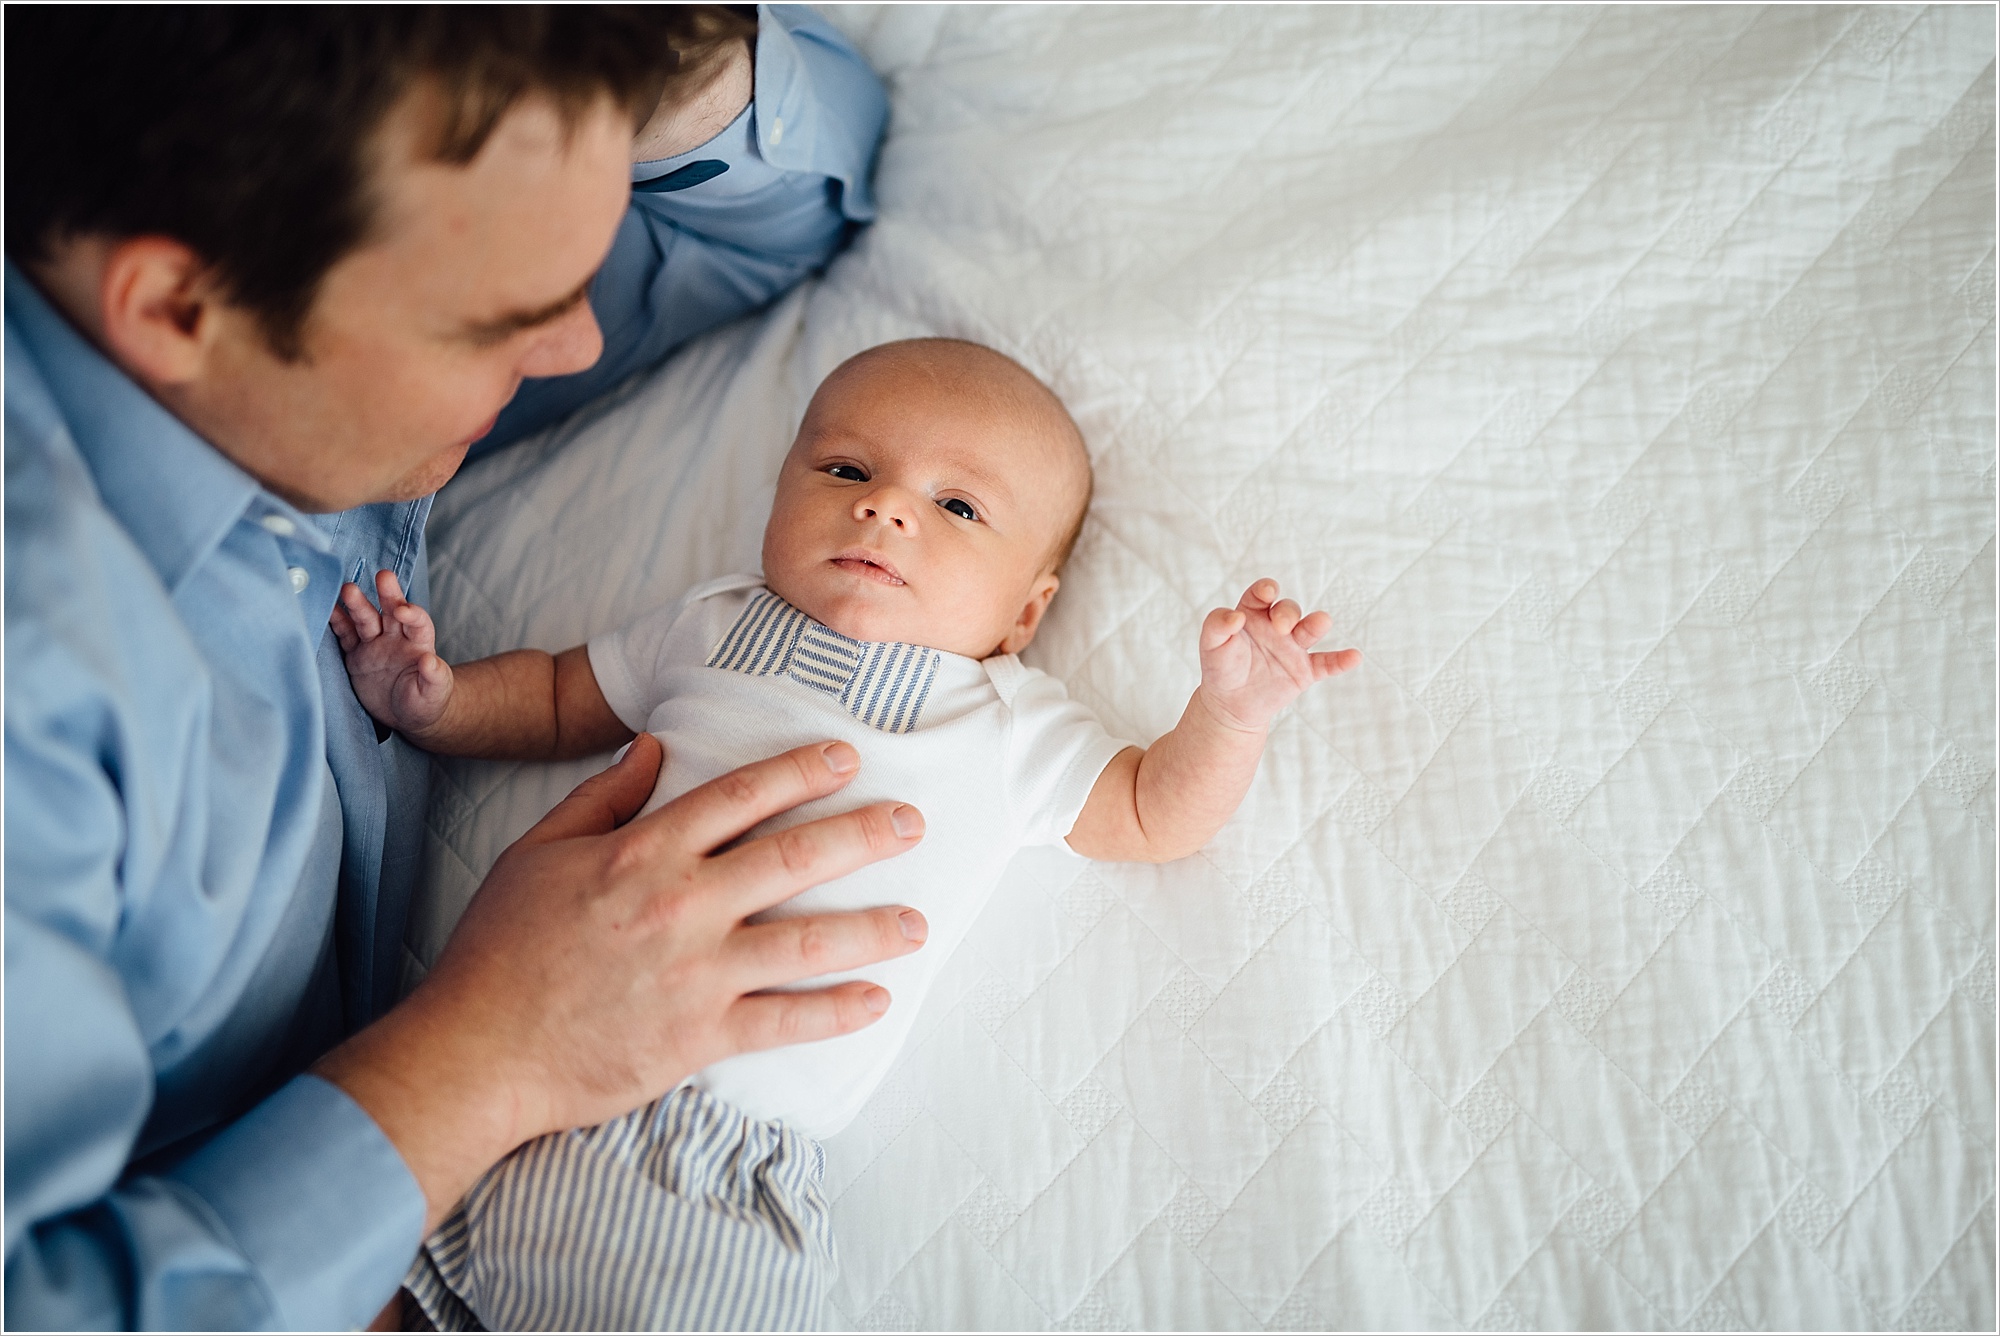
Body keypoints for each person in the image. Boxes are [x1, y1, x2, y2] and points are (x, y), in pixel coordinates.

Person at [4, 8, 927, 1330]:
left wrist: (584, 66)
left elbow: (760, 220)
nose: (578, 343)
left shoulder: (287, 303)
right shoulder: (39, 688)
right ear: (178, 309)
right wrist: (497, 1046)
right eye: (507, 318)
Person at [327, 339, 1361, 1329]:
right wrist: (440, 702)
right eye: (846, 469)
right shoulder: (711, 622)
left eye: (956, 505)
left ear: (1024, 613)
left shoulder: (1004, 721)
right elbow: (561, 698)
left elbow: (1149, 812)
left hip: (707, 1167)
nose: (883, 506)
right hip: (513, 1067)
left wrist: (1229, 716)